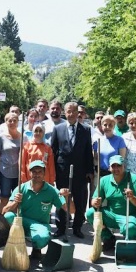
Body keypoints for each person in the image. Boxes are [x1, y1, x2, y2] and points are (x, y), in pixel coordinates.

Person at [3, 160, 68, 259]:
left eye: (40, 172)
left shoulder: (52, 190)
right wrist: (15, 202)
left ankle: (36, 248)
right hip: (21, 222)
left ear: (44, 173)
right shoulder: (21, 188)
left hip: (40, 224)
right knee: (8, 217)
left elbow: (70, 210)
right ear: (30, 173)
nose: (37, 174)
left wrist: (66, 197)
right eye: (34, 172)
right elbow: (4, 211)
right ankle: (16, 244)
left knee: (42, 238)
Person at [51, 102, 94, 238]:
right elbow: (54, 151)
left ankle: (77, 227)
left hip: (80, 171)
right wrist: (53, 173)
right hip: (62, 171)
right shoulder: (58, 129)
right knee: (62, 200)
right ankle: (61, 227)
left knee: (79, 200)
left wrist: (89, 171)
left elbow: (88, 152)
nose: (71, 114)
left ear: (78, 113)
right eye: (68, 111)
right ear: (65, 112)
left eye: (73, 111)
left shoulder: (85, 129)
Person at [85, 155, 136, 251]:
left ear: (124, 166)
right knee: (91, 213)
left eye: (119, 166)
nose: (116, 169)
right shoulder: (104, 180)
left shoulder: (135, 180)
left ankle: (133, 239)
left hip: (130, 216)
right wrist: (95, 202)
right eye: (113, 166)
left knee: (130, 227)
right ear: (109, 168)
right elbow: (94, 200)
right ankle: (108, 237)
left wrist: (132, 198)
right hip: (111, 215)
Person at [0, 112, 22, 211]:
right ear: (6, 122)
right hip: (4, 172)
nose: (12, 122)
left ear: (18, 122)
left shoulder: (23, 137)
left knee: (16, 199)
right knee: (4, 197)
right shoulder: (1, 137)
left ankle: (13, 222)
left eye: (15, 120)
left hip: (18, 173)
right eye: (10, 120)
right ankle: (1, 221)